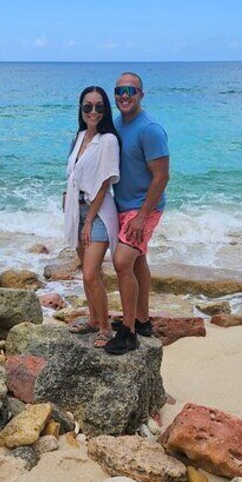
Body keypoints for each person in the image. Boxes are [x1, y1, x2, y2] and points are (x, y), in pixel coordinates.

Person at [105, 72, 170, 355]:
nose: (124, 95)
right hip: (121, 206)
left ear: (141, 94)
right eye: (119, 90)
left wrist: (142, 217)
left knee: (121, 262)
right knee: (138, 260)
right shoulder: (115, 126)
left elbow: (161, 177)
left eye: (130, 90)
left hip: (145, 207)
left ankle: (129, 332)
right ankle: (143, 320)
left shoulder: (151, 130)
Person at [64, 86, 121, 348]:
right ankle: (94, 319)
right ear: (81, 109)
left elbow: (105, 182)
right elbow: (74, 175)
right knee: (89, 272)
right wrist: (66, 200)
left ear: (105, 110)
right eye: (88, 106)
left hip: (96, 213)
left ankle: (107, 327)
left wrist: (88, 221)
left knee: (89, 273)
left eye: (99, 106)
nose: (93, 111)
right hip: (76, 209)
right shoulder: (79, 137)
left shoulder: (108, 140)